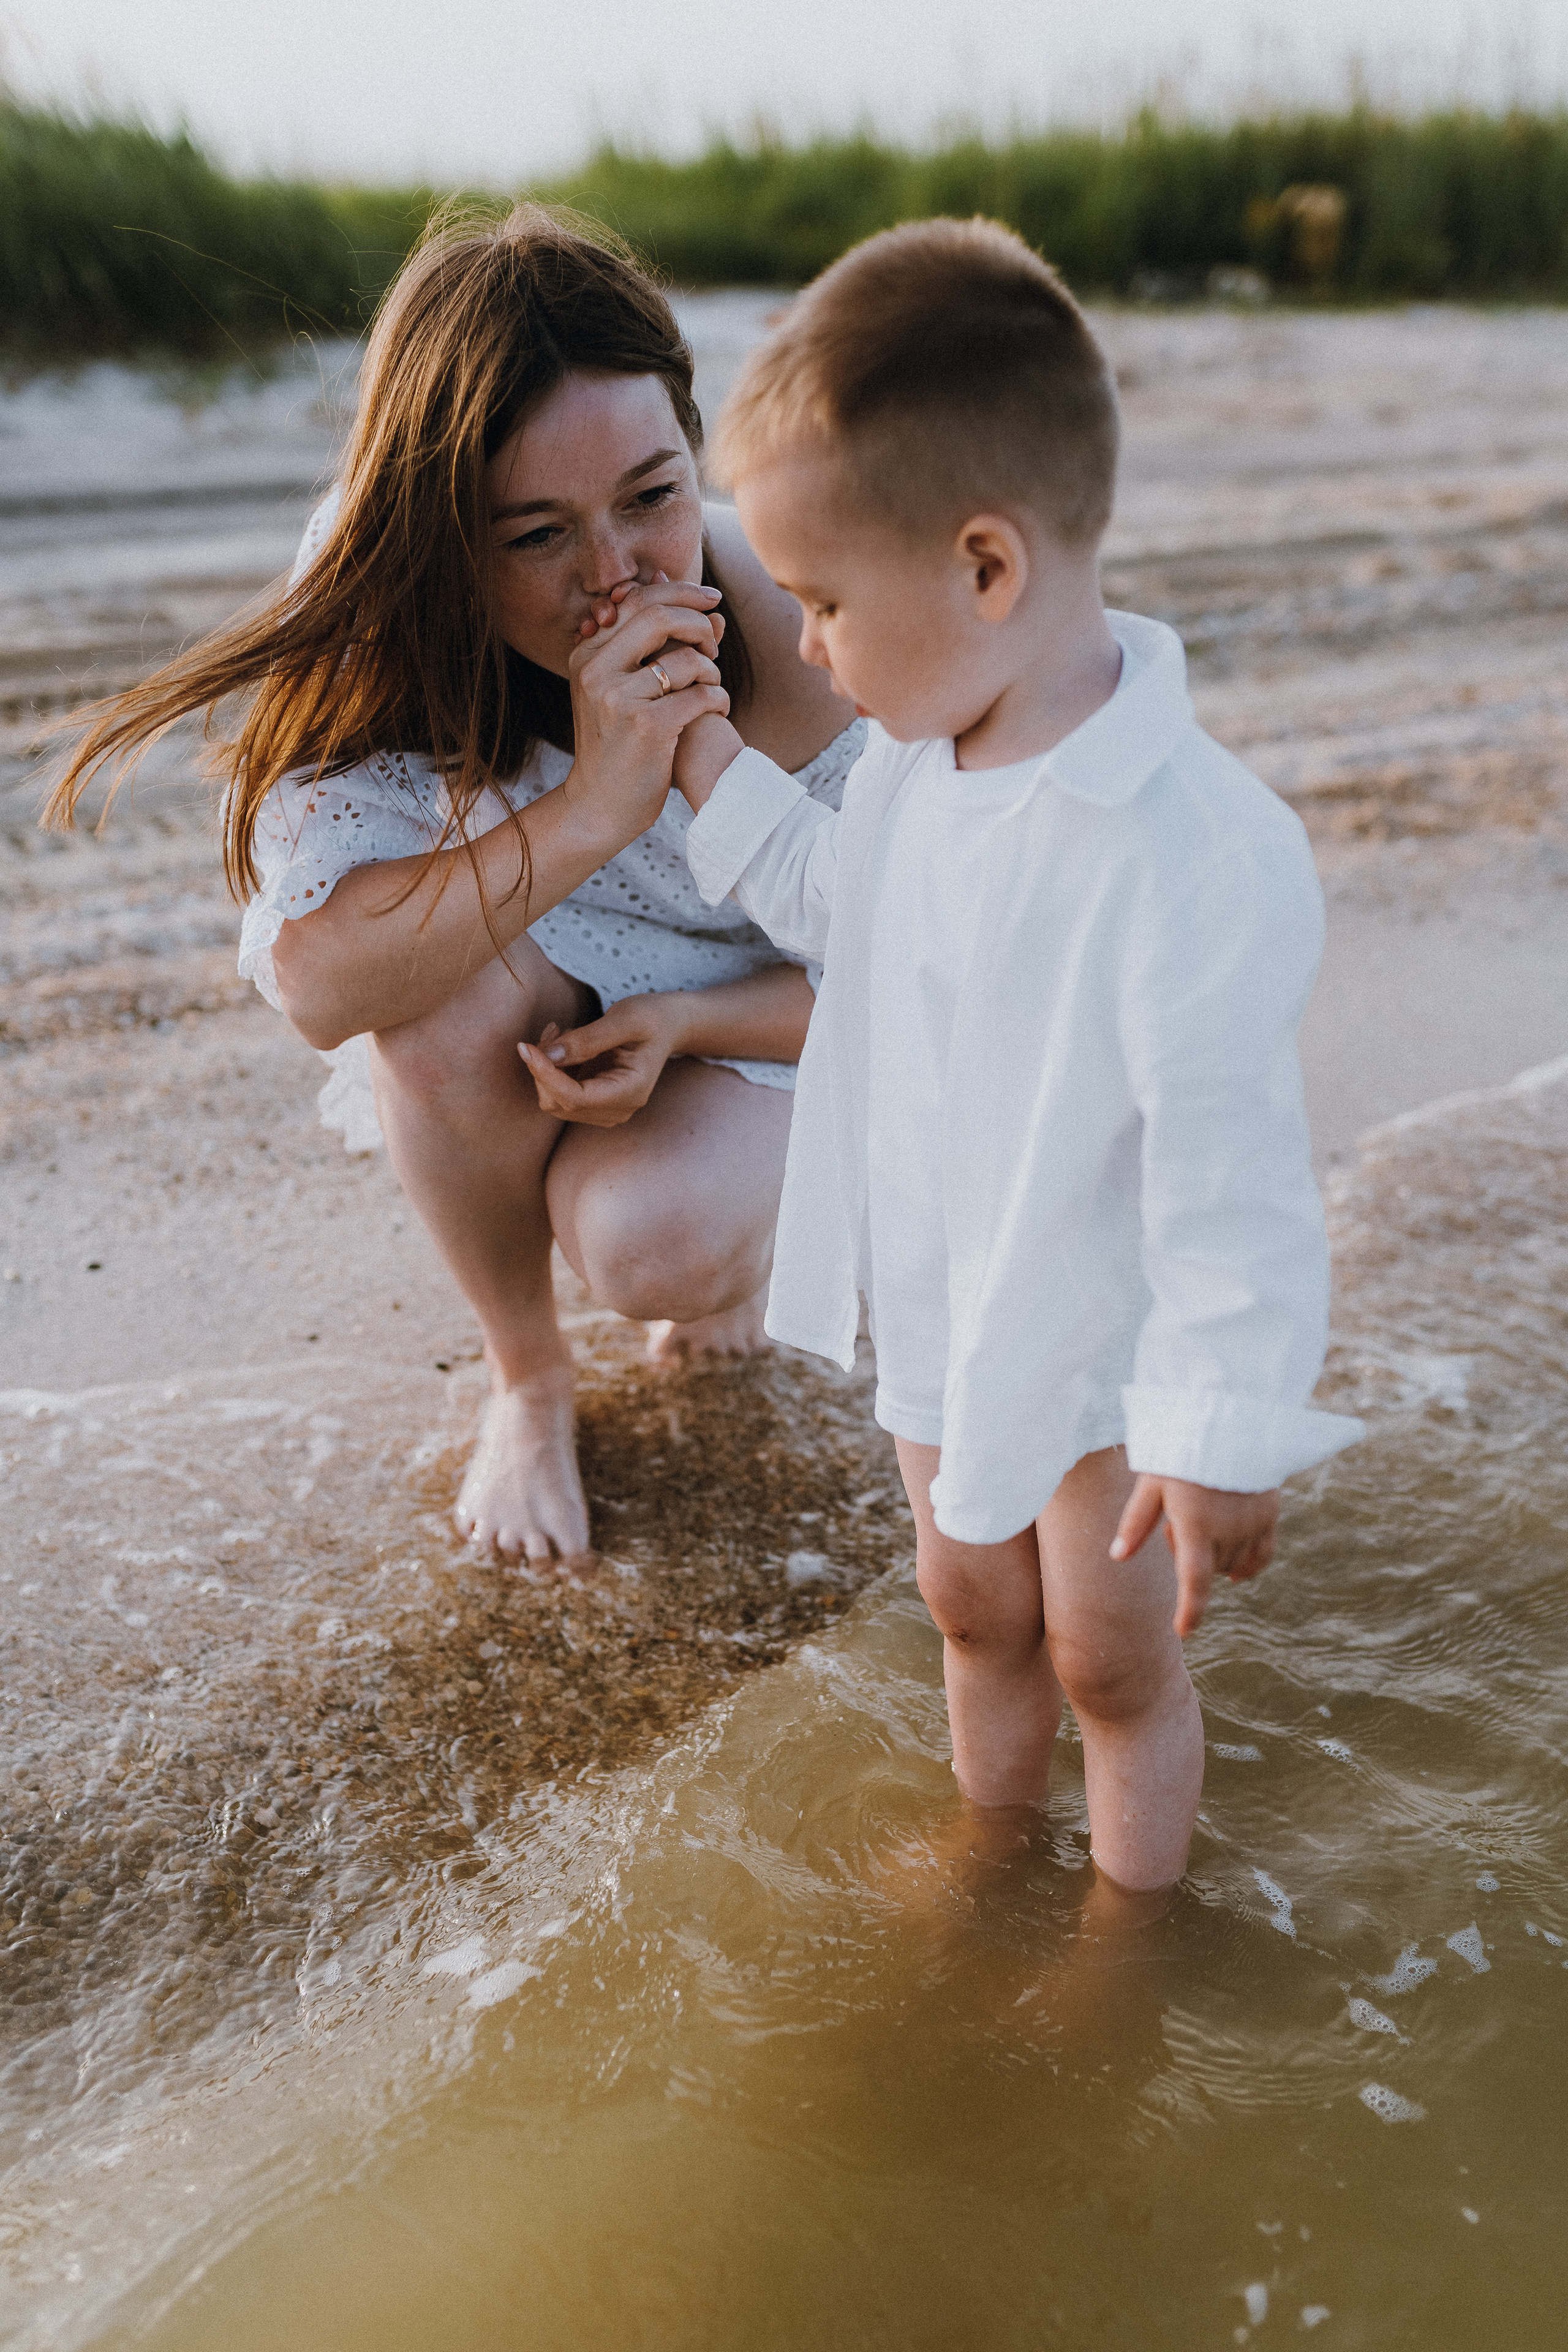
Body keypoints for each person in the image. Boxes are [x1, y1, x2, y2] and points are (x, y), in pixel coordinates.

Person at [617, 216, 1362, 1899]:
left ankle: (1131, 1916)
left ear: (984, 568)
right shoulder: (909, 768)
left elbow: (1236, 1168)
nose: (801, 642)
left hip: (1109, 1334)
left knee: (1106, 1650)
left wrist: (1221, 1423)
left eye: (823, 602)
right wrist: (702, 757)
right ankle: (991, 1834)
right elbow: (833, 908)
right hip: (952, 1295)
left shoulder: (1191, 844)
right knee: (971, 1604)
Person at [47, 210, 861, 1567]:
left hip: (776, 999)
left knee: (655, 1244)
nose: (615, 579)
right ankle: (525, 1379)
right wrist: (600, 803)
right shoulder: (381, 613)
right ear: (436, 533)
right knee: (418, 1004)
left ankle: (742, 1233)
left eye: (654, 497)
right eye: (536, 532)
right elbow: (323, 985)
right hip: (543, 964)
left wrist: (689, 1026)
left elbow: (935, 984)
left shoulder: (801, 629)